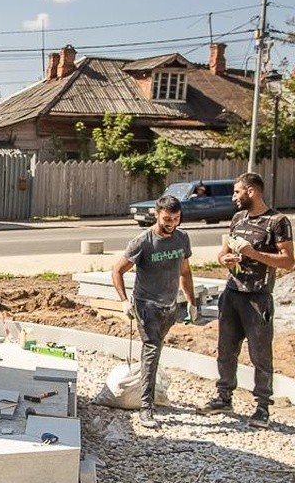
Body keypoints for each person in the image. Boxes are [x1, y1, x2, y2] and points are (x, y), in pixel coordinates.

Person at [197, 173, 294, 428]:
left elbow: (288, 261)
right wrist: (223, 259)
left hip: (257, 297)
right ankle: (223, 396)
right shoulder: (238, 218)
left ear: (251, 191)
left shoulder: (277, 221)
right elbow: (224, 251)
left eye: (237, 192)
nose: (233, 197)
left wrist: (253, 253)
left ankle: (262, 407)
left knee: (260, 355)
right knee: (226, 349)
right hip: (232, 293)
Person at [112, 195, 197, 429]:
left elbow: (185, 271)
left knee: (155, 351)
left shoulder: (182, 238)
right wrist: (123, 301)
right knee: (151, 351)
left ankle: (149, 392)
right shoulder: (143, 241)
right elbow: (117, 271)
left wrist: (191, 301)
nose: (172, 223)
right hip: (146, 305)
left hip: (169, 306)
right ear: (157, 214)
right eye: (168, 218)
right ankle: (146, 407)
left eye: (177, 218)